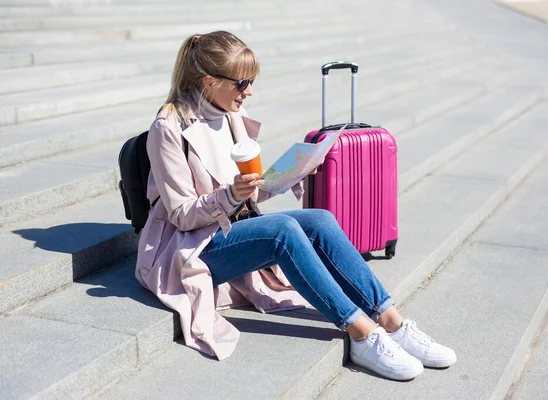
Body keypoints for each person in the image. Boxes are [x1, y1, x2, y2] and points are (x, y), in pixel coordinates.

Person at [136, 30, 456, 381]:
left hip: (231, 225)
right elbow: (183, 216)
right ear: (210, 82)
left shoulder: (229, 115)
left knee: (318, 219)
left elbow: (249, 193)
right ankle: (361, 332)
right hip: (191, 248)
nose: (250, 91)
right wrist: (231, 194)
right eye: (243, 83)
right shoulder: (168, 127)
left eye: (252, 81)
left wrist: (288, 175)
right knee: (283, 231)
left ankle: (392, 322)